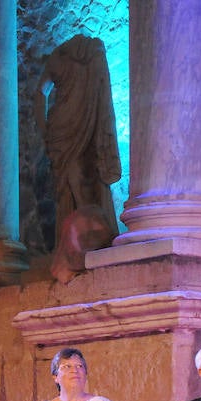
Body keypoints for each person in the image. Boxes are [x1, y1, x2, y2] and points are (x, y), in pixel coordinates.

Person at [36, 35, 121, 245]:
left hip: (60, 125)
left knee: (73, 176)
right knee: (81, 174)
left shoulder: (58, 58)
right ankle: (84, 235)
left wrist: (44, 128)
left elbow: (40, 92)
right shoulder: (93, 53)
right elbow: (41, 92)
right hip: (78, 123)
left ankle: (83, 235)